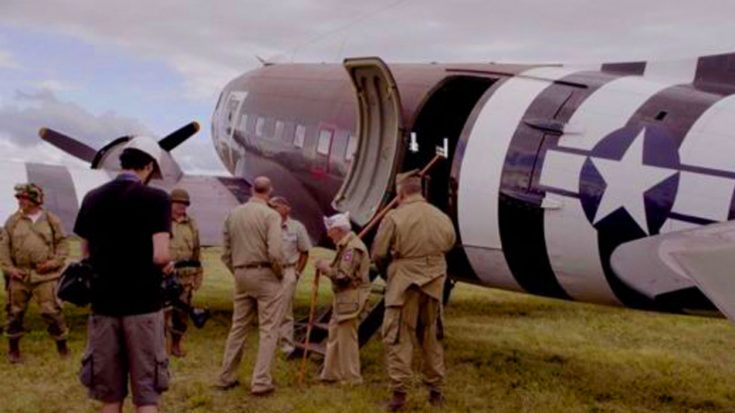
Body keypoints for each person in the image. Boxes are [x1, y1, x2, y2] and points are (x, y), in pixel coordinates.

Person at [74, 136, 172, 413]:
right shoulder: (157, 199)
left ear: (123, 162)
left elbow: (85, 254)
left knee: (110, 396)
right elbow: (160, 255)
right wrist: (169, 263)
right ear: (150, 166)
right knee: (147, 395)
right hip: (144, 306)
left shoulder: (93, 198)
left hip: (104, 306)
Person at [372, 170, 456, 411]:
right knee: (431, 337)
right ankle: (436, 391)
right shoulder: (440, 216)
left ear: (400, 192)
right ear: (420, 191)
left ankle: (399, 396)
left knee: (398, 337)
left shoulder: (394, 217)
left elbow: (378, 253)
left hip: (403, 286)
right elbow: (449, 242)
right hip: (434, 284)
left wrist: (390, 269)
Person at [215, 176, 286, 396]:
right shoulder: (271, 215)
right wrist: (279, 273)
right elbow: (275, 252)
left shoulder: (233, 214)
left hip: (241, 274)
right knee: (268, 330)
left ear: (252, 189)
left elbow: (225, 253)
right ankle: (261, 380)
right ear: (270, 191)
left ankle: (226, 376)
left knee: (238, 328)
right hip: (264, 273)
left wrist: (237, 271)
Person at [0, 183, 69, 363]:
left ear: (34, 200)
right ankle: (13, 351)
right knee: (14, 312)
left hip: (46, 276)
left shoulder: (51, 219)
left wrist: (54, 263)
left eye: (23, 198)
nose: (20, 202)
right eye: (19, 198)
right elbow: (3, 247)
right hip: (20, 276)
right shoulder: (12, 221)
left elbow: (62, 244)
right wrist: (9, 269)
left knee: (52, 311)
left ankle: (62, 348)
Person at [314, 212, 371, 385]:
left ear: (339, 230)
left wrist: (325, 268)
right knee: (335, 335)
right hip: (344, 298)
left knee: (347, 339)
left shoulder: (352, 249)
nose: (328, 235)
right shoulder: (346, 246)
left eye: (330, 231)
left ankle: (352, 378)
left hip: (350, 297)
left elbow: (342, 277)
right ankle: (331, 373)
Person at [163, 188, 203, 358]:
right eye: (179, 204)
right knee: (162, 313)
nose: (182, 208)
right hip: (164, 275)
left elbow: (196, 251)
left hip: (184, 277)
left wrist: (197, 275)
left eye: (185, 205)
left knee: (182, 315)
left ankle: (176, 345)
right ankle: (160, 347)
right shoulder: (161, 221)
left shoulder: (191, 224)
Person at [268, 196, 311, 355]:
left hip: (288, 270)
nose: (272, 210)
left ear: (286, 208)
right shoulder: (268, 226)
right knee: (269, 307)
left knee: (285, 309)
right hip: (270, 270)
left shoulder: (297, 227)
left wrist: (297, 272)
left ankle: (286, 344)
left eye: (276, 207)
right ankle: (269, 342)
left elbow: (305, 252)